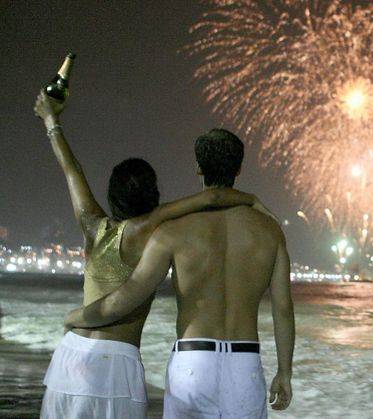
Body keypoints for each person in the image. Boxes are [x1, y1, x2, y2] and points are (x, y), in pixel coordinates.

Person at [34, 91, 263, 418]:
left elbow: (72, 171)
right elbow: (210, 199)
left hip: (71, 357)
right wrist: (252, 200)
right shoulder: (149, 230)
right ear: (154, 194)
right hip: (115, 367)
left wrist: (50, 120)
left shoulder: (93, 228)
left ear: (112, 194)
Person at [65, 128, 296, 418]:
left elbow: (128, 296)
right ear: (239, 168)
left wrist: (77, 317)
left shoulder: (174, 231)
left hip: (192, 361)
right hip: (245, 362)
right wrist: (285, 371)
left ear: (198, 167)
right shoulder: (270, 232)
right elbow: (283, 309)